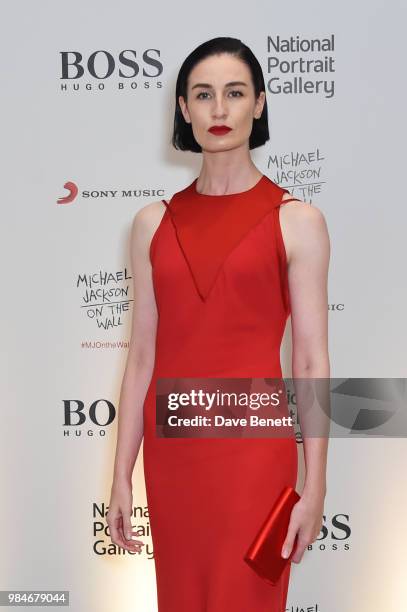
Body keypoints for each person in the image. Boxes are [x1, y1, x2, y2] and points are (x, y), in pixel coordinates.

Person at [107, 36, 330, 611]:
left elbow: (309, 361)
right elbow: (141, 359)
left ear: (258, 104)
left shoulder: (298, 222)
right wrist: (120, 477)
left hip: (256, 452)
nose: (219, 110)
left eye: (235, 93)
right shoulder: (151, 223)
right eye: (203, 95)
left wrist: (315, 483)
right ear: (183, 109)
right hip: (174, 452)